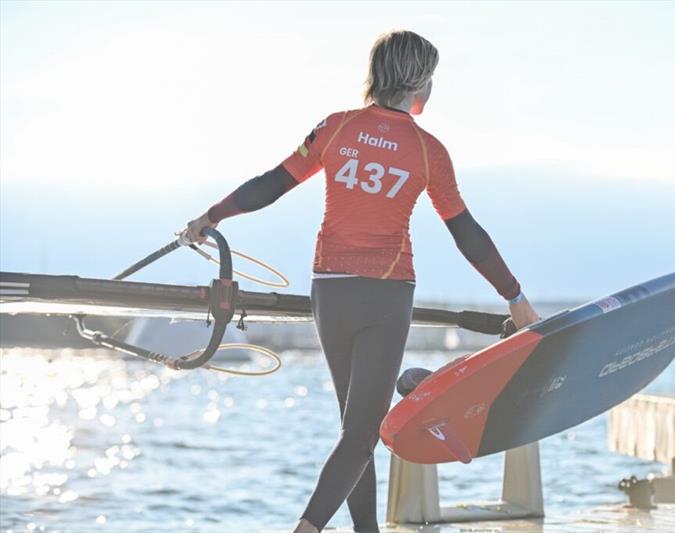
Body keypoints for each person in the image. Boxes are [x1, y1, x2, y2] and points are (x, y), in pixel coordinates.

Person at [183, 30, 539, 533]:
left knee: (356, 431)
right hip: (385, 293)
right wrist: (516, 299)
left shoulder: (336, 127)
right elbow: (469, 236)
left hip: (329, 289)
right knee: (359, 434)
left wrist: (212, 216)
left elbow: (272, 184)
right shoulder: (426, 149)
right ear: (418, 83)